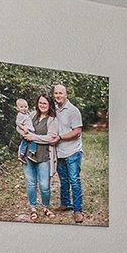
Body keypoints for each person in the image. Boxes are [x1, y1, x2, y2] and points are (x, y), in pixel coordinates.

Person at [17, 91, 59, 220]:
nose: (42, 105)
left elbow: (51, 137)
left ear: (49, 104)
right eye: (40, 102)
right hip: (28, 155)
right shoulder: (32, 114)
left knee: (44, 186)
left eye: (45, 103)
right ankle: (33, 208)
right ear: (37, 104)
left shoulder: (52, 119)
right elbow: (19, 126)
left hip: (44, 156)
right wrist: (23, 132)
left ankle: (46, 207)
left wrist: (33, 137)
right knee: (30, 183)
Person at [50, 81, 86, 223]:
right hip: (60, 152)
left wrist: (60, 138)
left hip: (73, 151)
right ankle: (65, 204)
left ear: (66, 95)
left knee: (74, 180)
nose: (58, 95)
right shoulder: (55, 110)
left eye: (61, 93)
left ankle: (78, 211)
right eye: (56, 93)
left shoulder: (73, 110)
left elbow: (77, 132)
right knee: (64, 180)